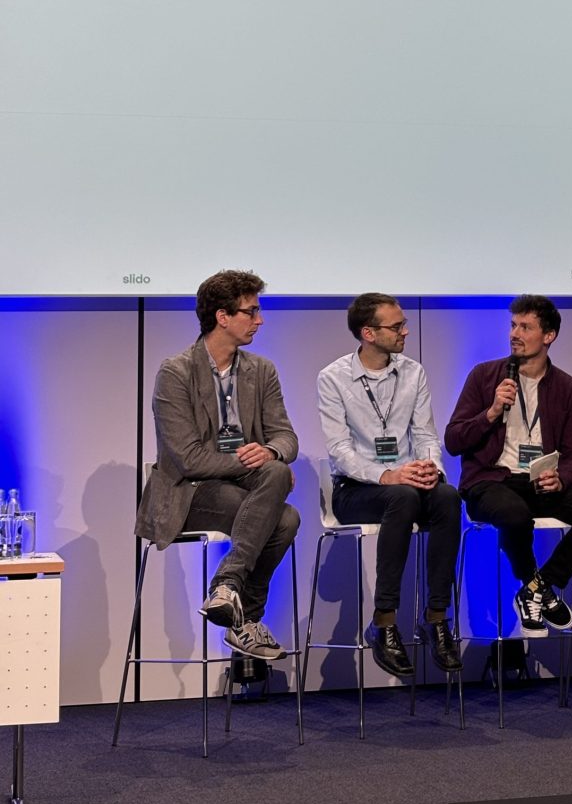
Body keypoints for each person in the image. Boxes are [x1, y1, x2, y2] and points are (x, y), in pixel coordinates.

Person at [136, 270, 299, 660]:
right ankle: (246, 619)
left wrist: (272, 453)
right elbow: (187, 458)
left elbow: (286, 438)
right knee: (283, 511)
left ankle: (228, 590)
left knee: (282, 496)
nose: (259, 321)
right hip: (188, 494)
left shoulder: (262, 371)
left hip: (244, 493)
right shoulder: (175, 372)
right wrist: (254, 464)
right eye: (251, 312)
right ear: (222, 317)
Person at [444, 295, 572, 637]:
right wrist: (492, 412)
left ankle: (538, 588)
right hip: (490, 482)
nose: (515, 334)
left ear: (548, 335)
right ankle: (537, 586)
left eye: (526, 327)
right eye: (513, 326)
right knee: (514, 514)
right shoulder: (484, 376)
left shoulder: (566, 387)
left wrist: (563, 478)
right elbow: (453, 440)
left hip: (540, 482)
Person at [318, 293, 462, 677]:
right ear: (368, 333)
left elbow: (426, 434)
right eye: (396, 326)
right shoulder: (333, 378)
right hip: (355, 490)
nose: (405, 331)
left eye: (403, 324)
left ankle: (436, 617)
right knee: (400, 496)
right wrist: (387, 474)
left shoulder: (414, 372)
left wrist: (432, 469)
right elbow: (339, 450)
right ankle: (384, 621)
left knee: (448, 497)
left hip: (408, 485)